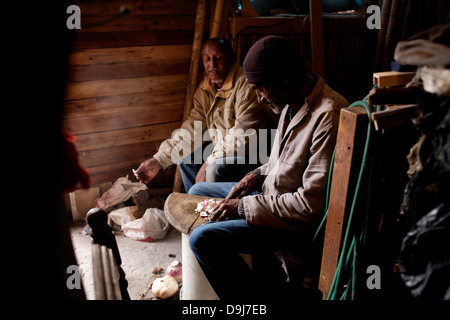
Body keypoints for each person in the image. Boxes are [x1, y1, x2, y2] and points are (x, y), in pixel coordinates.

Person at [188, 36, 349, 300]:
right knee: (198, 189)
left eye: (260, 88)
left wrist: (242, 207)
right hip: (270, 198)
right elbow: (279, 163)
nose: (259, 98)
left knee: (202, 240)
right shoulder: (290, 102)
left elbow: (309, 206)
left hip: (290, 222)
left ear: (284, 78)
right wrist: (255, 175)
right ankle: (267, 277)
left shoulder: (327, 116)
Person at [135, 38, 273, 192]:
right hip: (224, 149)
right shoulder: (206, 88)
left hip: (254, 153)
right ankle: (199, 206)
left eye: (218, 58)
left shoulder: (245, 85)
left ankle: (218, 210)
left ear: (232, 58)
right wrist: (159, 160)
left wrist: (209, 161)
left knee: (214, 168)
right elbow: (193, 129)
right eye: (207, 59)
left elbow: (242, 138)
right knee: (186, 158)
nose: (212, 65)